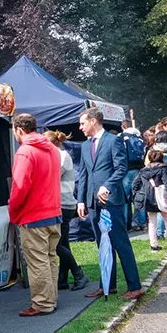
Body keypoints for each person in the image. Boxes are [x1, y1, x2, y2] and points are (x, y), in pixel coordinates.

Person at [75, 107, 143, 300]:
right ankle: (108, 285)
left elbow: (121, 169)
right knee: (102, 245)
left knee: (120, 243)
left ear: (93, 121)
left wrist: (107, 186)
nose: (80, 127)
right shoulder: (84, 146)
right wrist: (81, 201)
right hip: (93, 203)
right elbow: (84, 175)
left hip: (111, 201)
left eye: (82, 123)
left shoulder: (114, 141)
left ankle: (135, 286)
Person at [8, 114, 63, 317]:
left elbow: (19, 187)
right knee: (50, 259)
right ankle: (50, 299)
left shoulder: (25, 152)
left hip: (33, 216)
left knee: (38, 262)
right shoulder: (53, 150)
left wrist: (13, 210)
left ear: (19, 130)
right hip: (53, 212)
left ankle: (43, 304)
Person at [43, 130, 89, 291]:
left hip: (63, 204)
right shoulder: (60, 155)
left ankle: (79, 274)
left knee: (56, 244)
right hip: (64, 204)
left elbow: (51, 176)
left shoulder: (61, 157)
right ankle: (62, 280)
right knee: (63, 243)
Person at [132, 149, 167, 252]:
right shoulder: (163, 168)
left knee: (152, 222)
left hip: (149, 198)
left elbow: (135, 184)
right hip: (162, 197)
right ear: (161, 158)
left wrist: (138, 194)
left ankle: (153, 245)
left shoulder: (143, 170)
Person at [120, 119, 147, 230]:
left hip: (127, 170)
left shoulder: (122, 137)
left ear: (123, 126)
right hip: (140, 169)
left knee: (125, 198)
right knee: (139, 196)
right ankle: (140, 223)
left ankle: (126, 224)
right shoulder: (140, 137)